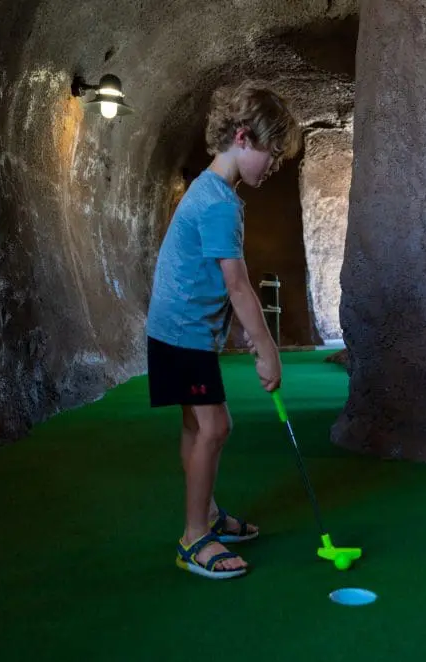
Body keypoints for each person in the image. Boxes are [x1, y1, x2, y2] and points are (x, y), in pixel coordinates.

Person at [145, 81, 302, 579]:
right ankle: (194, 539)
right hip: (183, 333)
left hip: (176, 329)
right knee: (215, 426)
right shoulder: (219, 203)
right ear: (242, 137)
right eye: (272, 153)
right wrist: (266, 348)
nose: (274, 166)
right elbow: (236, 284)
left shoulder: (211, 190)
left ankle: (207, 515)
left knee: (197, 426)